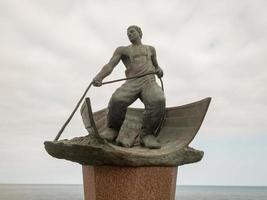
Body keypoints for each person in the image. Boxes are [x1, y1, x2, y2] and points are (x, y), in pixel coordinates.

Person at [92, 25, 165, 149]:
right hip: (132, 82)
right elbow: (110, 65)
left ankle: (147, 135)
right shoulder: (122, 50)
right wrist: (99, 77)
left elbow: (156, 65)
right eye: (128, 33)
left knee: (158, 100)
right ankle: (113, 129)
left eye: (132, 32)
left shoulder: (150, 49)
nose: (129, 34)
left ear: (140, 33)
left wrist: (159, 70)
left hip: (149, 81)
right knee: (117, 99)